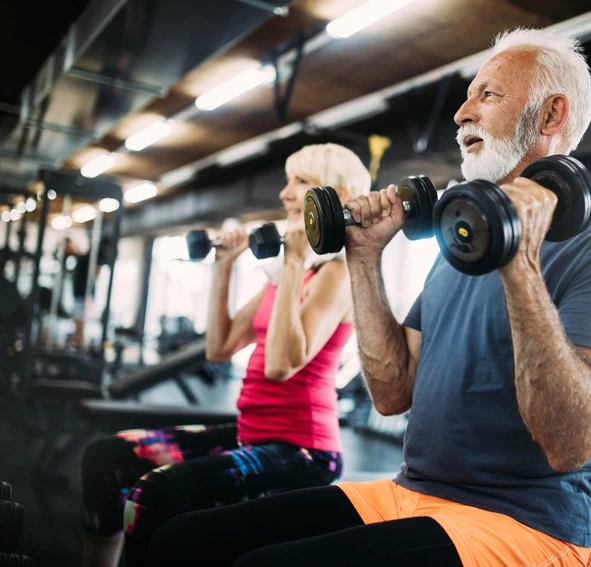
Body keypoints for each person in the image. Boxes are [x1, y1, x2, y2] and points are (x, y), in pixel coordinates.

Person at [143, 27, 591, 567]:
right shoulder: (463, 243)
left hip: (526, 525)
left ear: (551, 116)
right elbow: (391, 393)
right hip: (410, 494)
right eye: (468, 95)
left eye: (488, 95)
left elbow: (570, 443)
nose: (461, 113)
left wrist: (521, 265)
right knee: (184, 540)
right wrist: (363, 257)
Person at [79, 143, 372, 567]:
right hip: (251, 434)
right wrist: (225, 265)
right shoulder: (287, 274)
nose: (285, 194)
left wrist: (292, 264)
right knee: (107, 458)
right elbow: (220, 348)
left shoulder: (336, 273)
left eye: (301, 183)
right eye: (288, 182)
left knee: (156, 495)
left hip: (304, 453)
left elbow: (280, 363)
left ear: (337, 197)